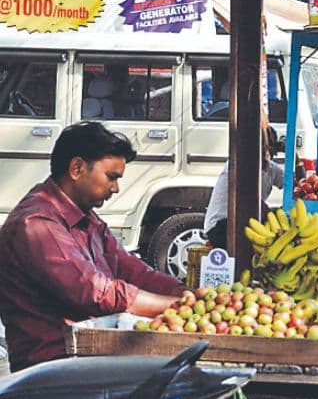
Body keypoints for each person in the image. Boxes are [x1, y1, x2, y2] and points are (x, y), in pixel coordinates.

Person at [0, 122, 182, 370]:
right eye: (111, 177)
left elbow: (132, 270)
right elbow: (95, 293)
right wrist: (177, 306)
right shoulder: (36, 223)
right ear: (77, 168)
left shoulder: (86, 218)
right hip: (51, 367)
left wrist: (184, 292)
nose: (115, 188)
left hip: (89, 355)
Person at [204, 127, 285, 249]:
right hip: (222, 225)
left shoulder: (271, 168)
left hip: (244, 222)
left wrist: (295, 159)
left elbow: (296, 185)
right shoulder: (237, 164)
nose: (267, 152)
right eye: (264, 147)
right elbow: (251, 199)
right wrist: (274, 216)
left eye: (270, 147)